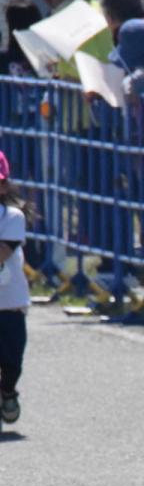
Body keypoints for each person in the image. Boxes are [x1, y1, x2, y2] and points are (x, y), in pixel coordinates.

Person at [0, 151, 32, 432]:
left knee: (12, 362)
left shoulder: (12, 217)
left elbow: (2, 252)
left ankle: (8, 391)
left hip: (9, 304)